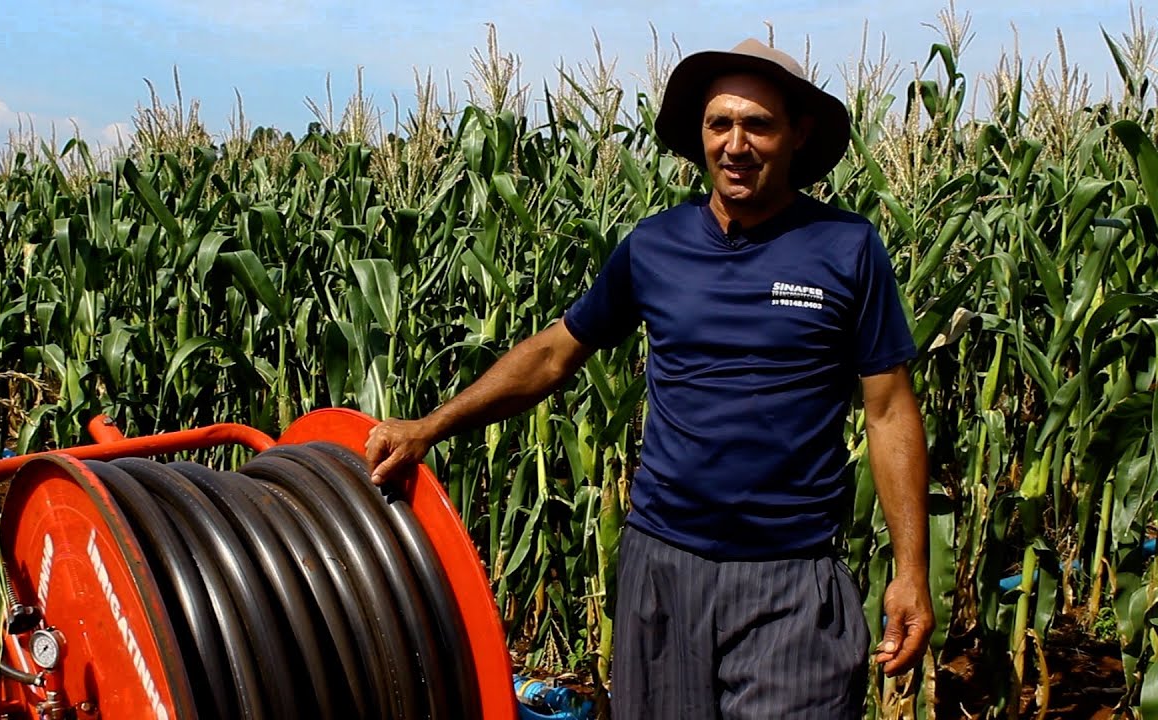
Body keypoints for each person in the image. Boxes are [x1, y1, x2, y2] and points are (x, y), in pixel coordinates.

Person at [365, 38, 933, 719]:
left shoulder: (846, 248)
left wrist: (911, 571)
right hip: (664, 569)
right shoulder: (654, 244)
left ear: (798, 133)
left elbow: (891, 409)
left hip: (792, 575)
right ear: (701, 133)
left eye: (758, 125)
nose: (736, 144)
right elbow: (554, 353)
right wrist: (430, 427)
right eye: (720, 123)